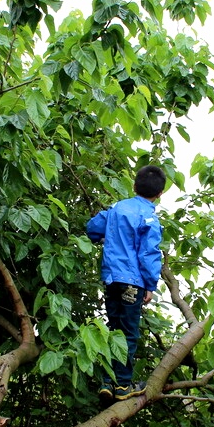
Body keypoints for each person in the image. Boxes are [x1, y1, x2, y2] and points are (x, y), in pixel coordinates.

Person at [86, 165, 166, 402]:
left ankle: (107, 382)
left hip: (111, 278)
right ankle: (122, 386)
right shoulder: (149, 217)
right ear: (160, 194)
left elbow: (92, 228)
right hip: (133, 282)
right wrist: (151, 285)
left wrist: (104, 236)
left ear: (134, 186)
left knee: (113, 328)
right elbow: (149, 254)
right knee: (128, 333)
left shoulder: (117, 208)